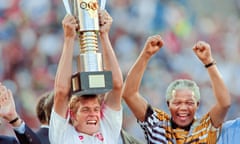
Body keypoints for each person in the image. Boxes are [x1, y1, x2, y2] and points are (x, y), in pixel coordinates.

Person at [122, 35, 231, 143]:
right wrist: (146, 54)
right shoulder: (157, 124)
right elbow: (129, 94)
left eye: (189, 103)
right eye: (177, 103)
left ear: (197, 105)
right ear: (168, 104)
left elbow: (224, 103)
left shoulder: (205, 127)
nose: (183, 108)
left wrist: (209, 62)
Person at [49, 9, 123, 144]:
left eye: (96, 109)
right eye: (85, 109)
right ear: (72, 115)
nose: (93, 114)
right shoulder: (63, 136)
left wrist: (104, 35)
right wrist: (69, 39)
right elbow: (61, 93)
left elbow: (117, 85)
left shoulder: (107, 130)